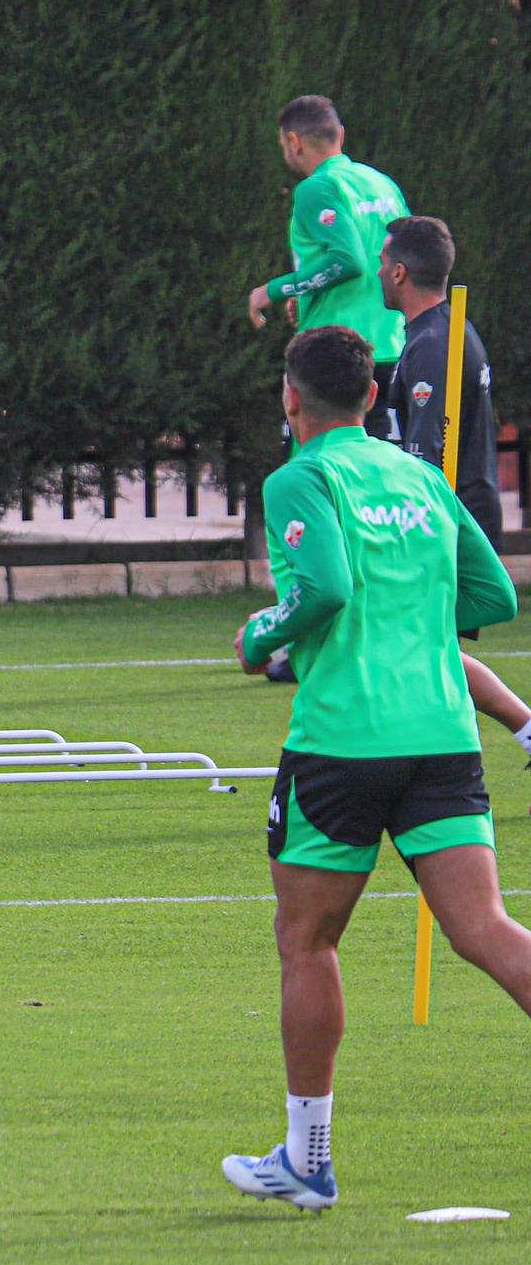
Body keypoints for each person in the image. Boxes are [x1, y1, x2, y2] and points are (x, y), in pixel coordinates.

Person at [226, 326, 531, 1212]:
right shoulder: (421, 476)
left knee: (308, 942)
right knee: (487, 930)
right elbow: (495, 597)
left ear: (292, 398)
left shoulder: (301, 477)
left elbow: (320, 588)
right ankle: (302, 1160)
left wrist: (260, 636)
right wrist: (416, 629)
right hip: (442, 735)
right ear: (370, 399)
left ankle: (307, 1158)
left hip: (343, 744)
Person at [378, 215, 531, 780]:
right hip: (457, 512)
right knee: (427, 650)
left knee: (419, 649)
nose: (375, 271)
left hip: (447, 519)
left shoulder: (435, 344)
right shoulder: (436, 333)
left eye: (380, 263)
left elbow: (425, 462)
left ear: (398, 272)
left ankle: (444, 772)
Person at [246, 96, 410, 439]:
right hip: (390, 343)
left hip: (334, 352)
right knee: (374, 465)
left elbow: (347, 261)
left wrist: (273, 290)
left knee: (319, 467)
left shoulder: (316, 189)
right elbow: (401, 253)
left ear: (294, 141)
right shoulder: (382, 184)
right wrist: (307, 293)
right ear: (341, 135)